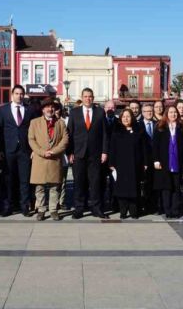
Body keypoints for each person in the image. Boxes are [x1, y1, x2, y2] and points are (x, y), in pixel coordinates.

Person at [66, 87, 109, 219]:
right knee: (79, 182)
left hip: (95, 154)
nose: (88, 98)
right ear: (82, 97)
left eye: (90, 96)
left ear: (93, 98)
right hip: (79, 154)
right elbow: (70, 133)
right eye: (85, 96)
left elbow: (105, 135)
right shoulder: (74, 112)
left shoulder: (100, 112)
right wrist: (70, 152)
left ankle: (96, 208)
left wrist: (104, 152)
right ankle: (79, 208)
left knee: (95, 182)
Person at [0, 85, 37, 216]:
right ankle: (8, 206)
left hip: (25, 150)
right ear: (12, 95)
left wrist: (33, 149)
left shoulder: (30, 110)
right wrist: (0, 150)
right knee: (8, 179)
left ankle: (25, 206)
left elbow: (33, 131)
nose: (19, 96)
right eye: (17, 93)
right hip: (8, 150)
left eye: (21, 94)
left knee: (25, 180)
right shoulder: (3, 110)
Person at [28, 98, 69, 221]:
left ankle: (53, 210)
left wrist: (54, 151)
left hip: (55, 158)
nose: (50, 109)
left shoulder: (60, 123)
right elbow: (31, 139)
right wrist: (41, 152)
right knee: (39, 187)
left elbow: (65, 140)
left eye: (52, 107)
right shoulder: (34, 122)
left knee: (54, 187)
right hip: (40, 158)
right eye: (47, 107)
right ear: (43, 109)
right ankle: (41, 209)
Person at [152, 105, 183, 219]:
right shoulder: (160, 126)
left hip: (178, 162)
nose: (173, 114)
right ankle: (167, 210)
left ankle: (176, 210)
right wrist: (156, 160)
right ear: (166, 114)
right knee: (166, 187)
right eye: (170, 112)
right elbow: (155, 146)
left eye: (175, 112)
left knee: (176, 187)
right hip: (164, 162)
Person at [109, 108, 148, 219]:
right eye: (124, 117)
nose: (126, 118)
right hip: (120, 165)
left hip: (135, 164)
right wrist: (111, 163)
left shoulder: (139, 130)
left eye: (128, 116)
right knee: (121, 189)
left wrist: (145, 163)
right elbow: (112, 149)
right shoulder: (116, 131)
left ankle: (134, 211)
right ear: (121, 119)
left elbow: (144, 148)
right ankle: (123, 211)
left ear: (132, 118)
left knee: (134, 188)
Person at [136, 103, 157, 214]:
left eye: (150, 111)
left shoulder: (158, 124)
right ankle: (141, 206)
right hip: (143, 160)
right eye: (146, 111)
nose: (149, 113)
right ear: (142, 113)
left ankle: (151, 206)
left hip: (156, 160)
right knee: (142, 184)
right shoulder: (138, 125)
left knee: (153, 184)